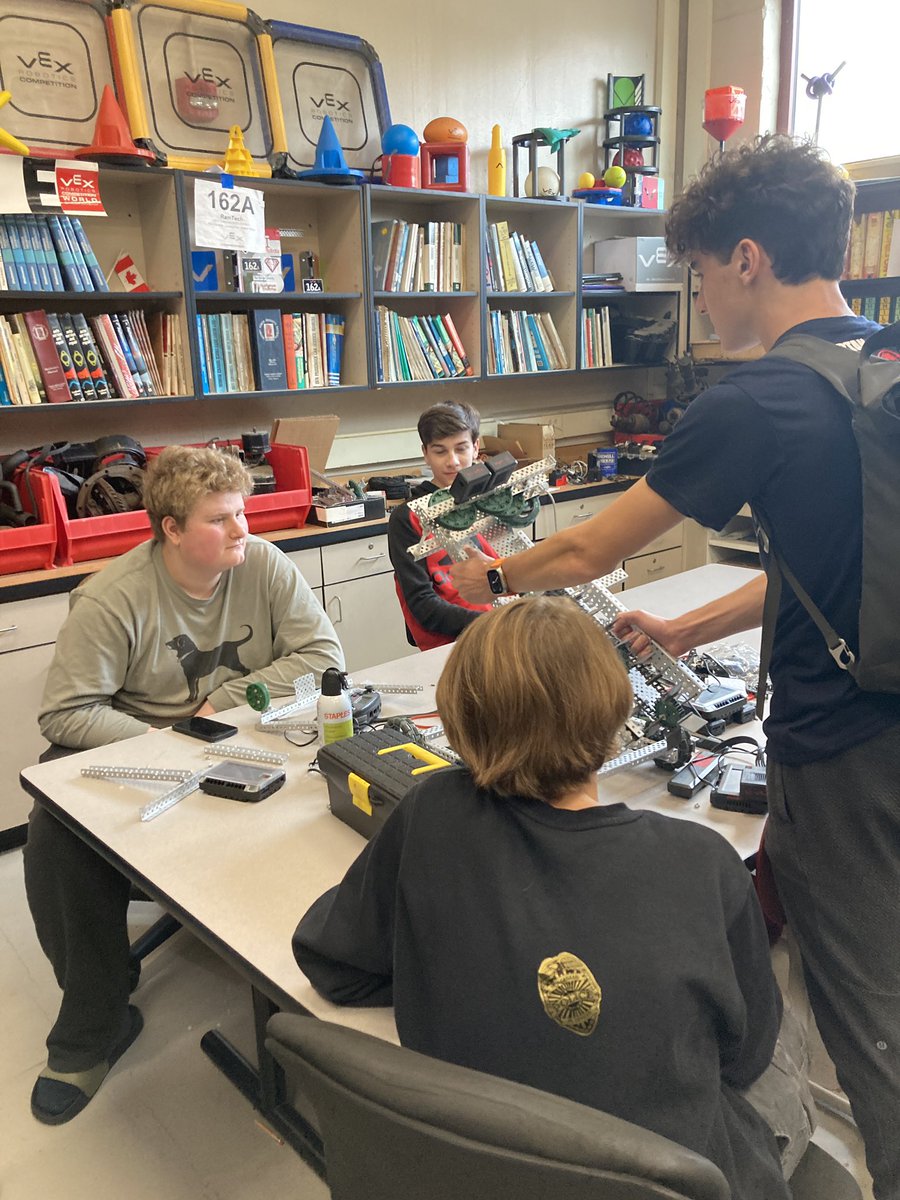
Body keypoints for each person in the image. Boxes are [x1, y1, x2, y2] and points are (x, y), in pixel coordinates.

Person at [451, 135, 900, 1199]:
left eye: (697, 270)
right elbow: (845, 565)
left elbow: (581, 552)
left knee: (869, 1012)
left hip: (843, 750)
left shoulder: (755, 400)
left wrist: (487, 579)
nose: (697, 295)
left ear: (746, 258)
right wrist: (695, 632)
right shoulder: (882, 362)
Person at [293, 596, 803, 1198]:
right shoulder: (703, 861)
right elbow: (743, 1056)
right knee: (784, 1039)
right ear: (615, 711)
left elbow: (333, 961)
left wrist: (460, 980)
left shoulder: (430, 810)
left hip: (473, 1170)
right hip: (672, 1179)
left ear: (459, 717)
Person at [24, 444, 343, 1126]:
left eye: (243, 513)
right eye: (221, 519)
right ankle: (94, 1024)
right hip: (146, 752)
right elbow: (66, 712)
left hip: (243, 740)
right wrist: (170, 745)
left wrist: (230, 698)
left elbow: (323, 656)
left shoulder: (262, 564)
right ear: (169, 527)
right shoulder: (112, 598)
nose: (242, 530)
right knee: (53, 830)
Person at [387, 400, 494, 649]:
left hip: (500, 628)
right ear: (425, 453)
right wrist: (491, 623)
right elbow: (423, 605)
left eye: (461, 449)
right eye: (440, 451)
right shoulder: (408, 518)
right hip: (453, 643)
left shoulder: (491, 501)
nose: (453, 461)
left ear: (476, 448)